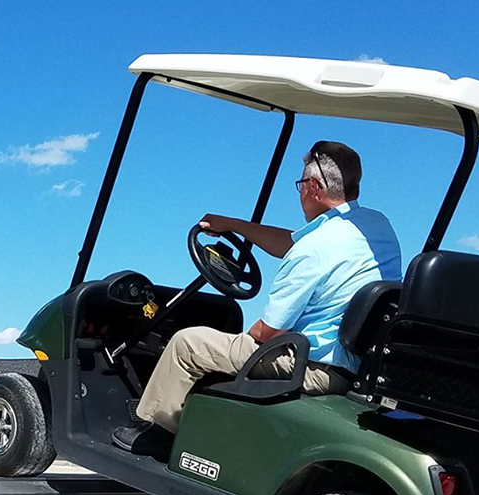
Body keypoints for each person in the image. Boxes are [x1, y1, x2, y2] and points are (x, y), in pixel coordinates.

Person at [113, 140, 403, 458]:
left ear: (315, 187)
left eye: (301, 184)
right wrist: (234, 226)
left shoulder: (314, 249)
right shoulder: (376, 228)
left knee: (187, 344)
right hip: (354, 367)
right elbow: (290, 243)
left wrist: (248, 336)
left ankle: (158, 434)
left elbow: (268, 333)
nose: (300, 192)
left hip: (309, 366)